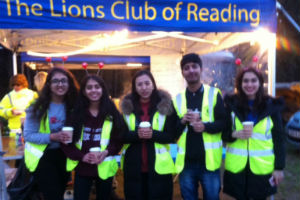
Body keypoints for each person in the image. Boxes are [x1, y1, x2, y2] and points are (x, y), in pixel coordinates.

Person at [222, 67, 285, 200]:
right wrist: (234, 134)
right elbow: (223, 133)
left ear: (260, 83)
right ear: (240, 84)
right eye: (245, 81)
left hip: (261, 168)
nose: (249, 84)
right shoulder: (231, 105)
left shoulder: (271, 106)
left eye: (253, 80)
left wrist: (279, 168)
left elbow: (279, 139)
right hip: (237, 168)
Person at [172, 53, 227, 200]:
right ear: (182, 73)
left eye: (194, 66)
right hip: (186, 164)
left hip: (209, 163)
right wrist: (182, 121)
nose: (191, 71)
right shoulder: (177, 99)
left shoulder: (214, 94)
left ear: (201, 69)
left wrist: (205, 126)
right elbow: (173, 132)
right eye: (186, 68)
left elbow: (224, 123)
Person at [62, 74, 125, 200]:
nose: (94, 90)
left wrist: (107, 152)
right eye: (89, 87)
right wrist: (82, 156)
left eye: (97, 87)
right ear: (84, 91)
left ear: (103, 89)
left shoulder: (111, 112)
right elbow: (65, 143)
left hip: (104, 167)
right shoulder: (76, 114)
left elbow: (119, 138)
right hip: (83, 168)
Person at [23, 67, 79, 200]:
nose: (60, 84)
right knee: (53, 195)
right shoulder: (37, 106)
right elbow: (28, 135)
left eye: (64, 81)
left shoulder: (74, 104)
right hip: (43, 157)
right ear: (48, 84)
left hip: (65, 155)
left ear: (69, 84)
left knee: (59, 192)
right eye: (55, 81)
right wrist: (53, 137)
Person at [120, 70, 177, 200]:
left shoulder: (165, 105)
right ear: (135, 87)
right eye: (139, 84)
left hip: (160, 168)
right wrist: (136, 134)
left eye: (147, 83)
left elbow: (171, 135)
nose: (144, 88)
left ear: (153, 84)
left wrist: (153, 134)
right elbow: (121, 136)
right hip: (133, 168)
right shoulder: (127, 108)